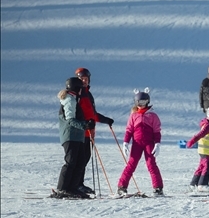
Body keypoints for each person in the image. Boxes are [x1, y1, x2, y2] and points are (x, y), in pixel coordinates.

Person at [74, 67, 114, 195]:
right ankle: (75, 185)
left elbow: (93, 114)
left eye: (86, 79)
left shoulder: (88, 94)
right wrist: (84, 124)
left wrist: (105, 120)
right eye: (82, 79)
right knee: (79, 160)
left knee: (85, 159)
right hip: (80, 133)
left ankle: (79, 184)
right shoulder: (76, 94)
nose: (84, 81)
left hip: (89, 133)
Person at [117, 89, 164, 197]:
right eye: (139, 102)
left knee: (151, 164)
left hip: (149, 143)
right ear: (136, 103)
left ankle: (158, 188)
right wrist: (125, 142)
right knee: (131, 164)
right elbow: (129, 130)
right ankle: (122, 187)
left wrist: (157, 144)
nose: (141, 105)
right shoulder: (134, 115)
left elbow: (157, 131)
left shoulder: (152, 116)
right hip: (137, 144)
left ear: (148, 101)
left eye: (143, 102)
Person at [55, 76, 93, 199]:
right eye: (81, 88)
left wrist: (86, 123)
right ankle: (62, 188)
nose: (82, 90)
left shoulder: (73, 99)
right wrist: (84, 125)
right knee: (71, 162)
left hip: (77, 136)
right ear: (77, 88)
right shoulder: (69, 100)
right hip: (70, 135)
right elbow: (70, 119)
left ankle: (73, 187)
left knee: (80, 161)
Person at [186, 106, 209, 192]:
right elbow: (200, 134)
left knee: (201, 166)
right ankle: (202, 184)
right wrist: (191, 141)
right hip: (205, 150)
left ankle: (193, 184)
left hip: (206, 150)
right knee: (207, 166)